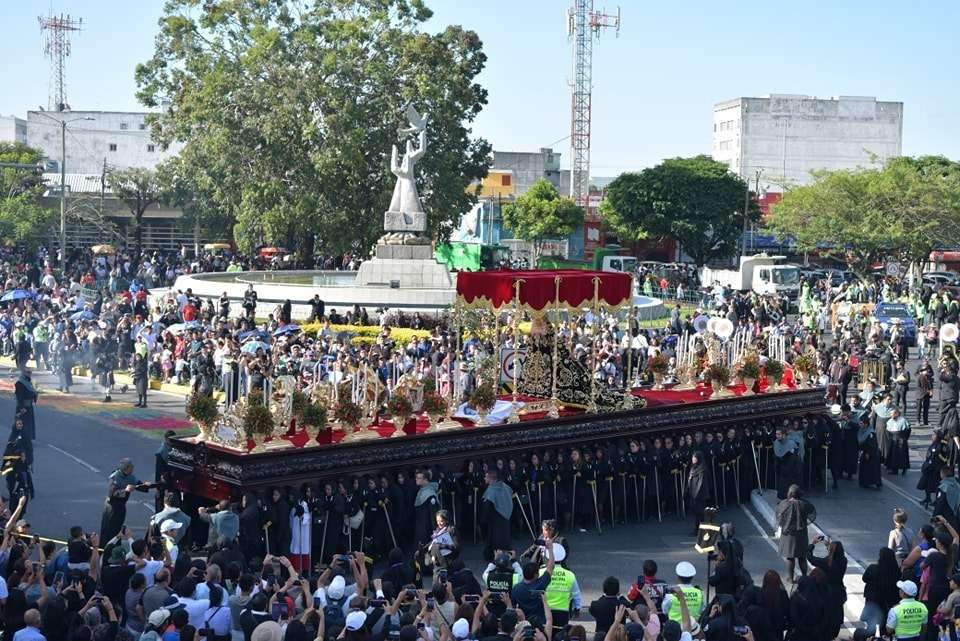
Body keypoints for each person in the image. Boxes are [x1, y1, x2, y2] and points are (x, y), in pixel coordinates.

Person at [100, 458, 152, 543]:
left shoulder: (130, 477)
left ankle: (116, 545)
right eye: (131, 467)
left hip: (121, 506)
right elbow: (112, 494)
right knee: (108, 529)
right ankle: (104, 548)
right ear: (126, 468)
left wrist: (146, 485)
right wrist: (125, 491)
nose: (133, 469)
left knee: (118, 528)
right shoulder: (115, 476)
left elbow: (138, 485)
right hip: (112, 507)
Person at [775, 484, 816, 584]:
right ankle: (805, 576)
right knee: (802, 557)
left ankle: (790, 578)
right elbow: (812, 512)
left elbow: (778, 516)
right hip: (801, 535)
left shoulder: (783, 504)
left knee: (790, 557)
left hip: (788, 535)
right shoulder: (804, 504)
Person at [861, 547, 902, 632]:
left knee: (873, 624)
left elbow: (864, 578)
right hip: (888, 602)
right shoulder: (896, 572)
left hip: (873, 600)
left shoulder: (873, 568)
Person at [480, 469, 513, 561]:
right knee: (504, 537)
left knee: (496, 539)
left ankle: (496, 558)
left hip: (496, 518)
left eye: (486, 476)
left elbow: (487, 507)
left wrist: (484, 519)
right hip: (506, 516)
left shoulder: (492, 490)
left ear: (490, 478)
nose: (484, 478)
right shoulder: (505, 486)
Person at [686, 451, 711, 535]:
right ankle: (697, 529)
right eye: (692, 457)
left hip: (699, 495)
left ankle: (700, 530)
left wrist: (696, 494)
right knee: (696, 513)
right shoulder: (693, 468)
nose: (693, 459)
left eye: (695, 457)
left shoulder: (702, 469)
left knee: (700, 513)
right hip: (693, 494)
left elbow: (701, 484)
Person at [14, 369, 37, 441]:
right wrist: (21, 407)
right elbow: (19, 396)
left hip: (29, 406)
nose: (30, 374)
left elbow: (32, 391)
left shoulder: (29, 382)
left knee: (28, 423)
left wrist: (35, 395)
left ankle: (27, 438)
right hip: (23, 406)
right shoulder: (19, 383)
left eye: (30, 372)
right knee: (20, 422)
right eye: (28, 373)